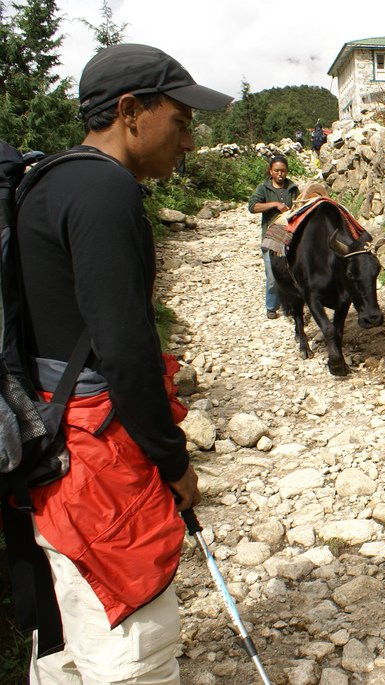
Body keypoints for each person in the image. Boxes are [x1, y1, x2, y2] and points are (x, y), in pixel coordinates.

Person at [14, 43, 231, 683]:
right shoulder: (105, 191)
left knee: (75, 632)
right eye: (182, 120)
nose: (189, 140)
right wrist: (174, 461)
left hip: (50, 448)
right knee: (131, 645)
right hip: (97, 464)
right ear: (131, 111)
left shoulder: (47, 182)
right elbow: (127, 353)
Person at [247, 156, 298, 319]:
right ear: (271, 171)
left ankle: (291, 306)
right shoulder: (264, 188)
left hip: (290, 237)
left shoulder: (293, 187)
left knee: (292, 273)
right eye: (276, 170)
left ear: (287, 171)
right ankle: (271, 306)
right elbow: (252, 207)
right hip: (271, 238)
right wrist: (275, 205)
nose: (280, 174)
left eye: (283, 170)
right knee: (273, 276)